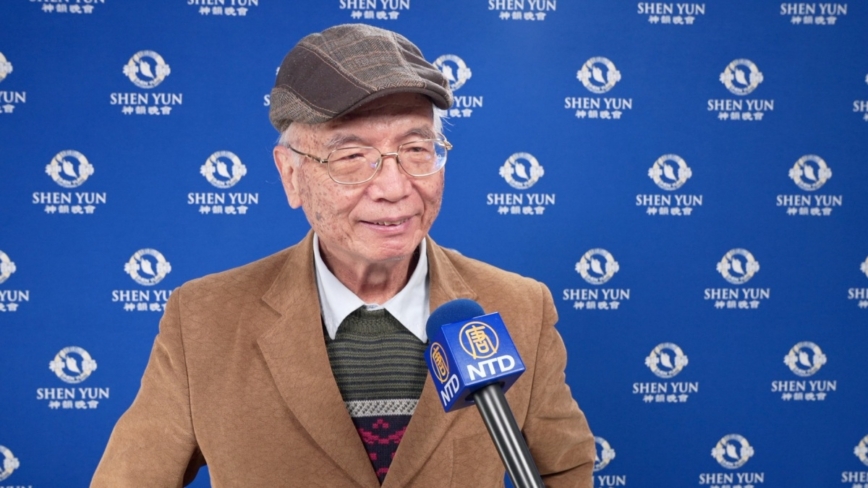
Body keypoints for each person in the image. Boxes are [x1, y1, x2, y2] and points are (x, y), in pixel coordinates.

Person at [92, 24, 594, 487]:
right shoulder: (203, 319)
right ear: (291, 174)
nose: (394, 188)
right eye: (352, 157)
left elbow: (565, 468)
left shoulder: (520, 307)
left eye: (417, 149)